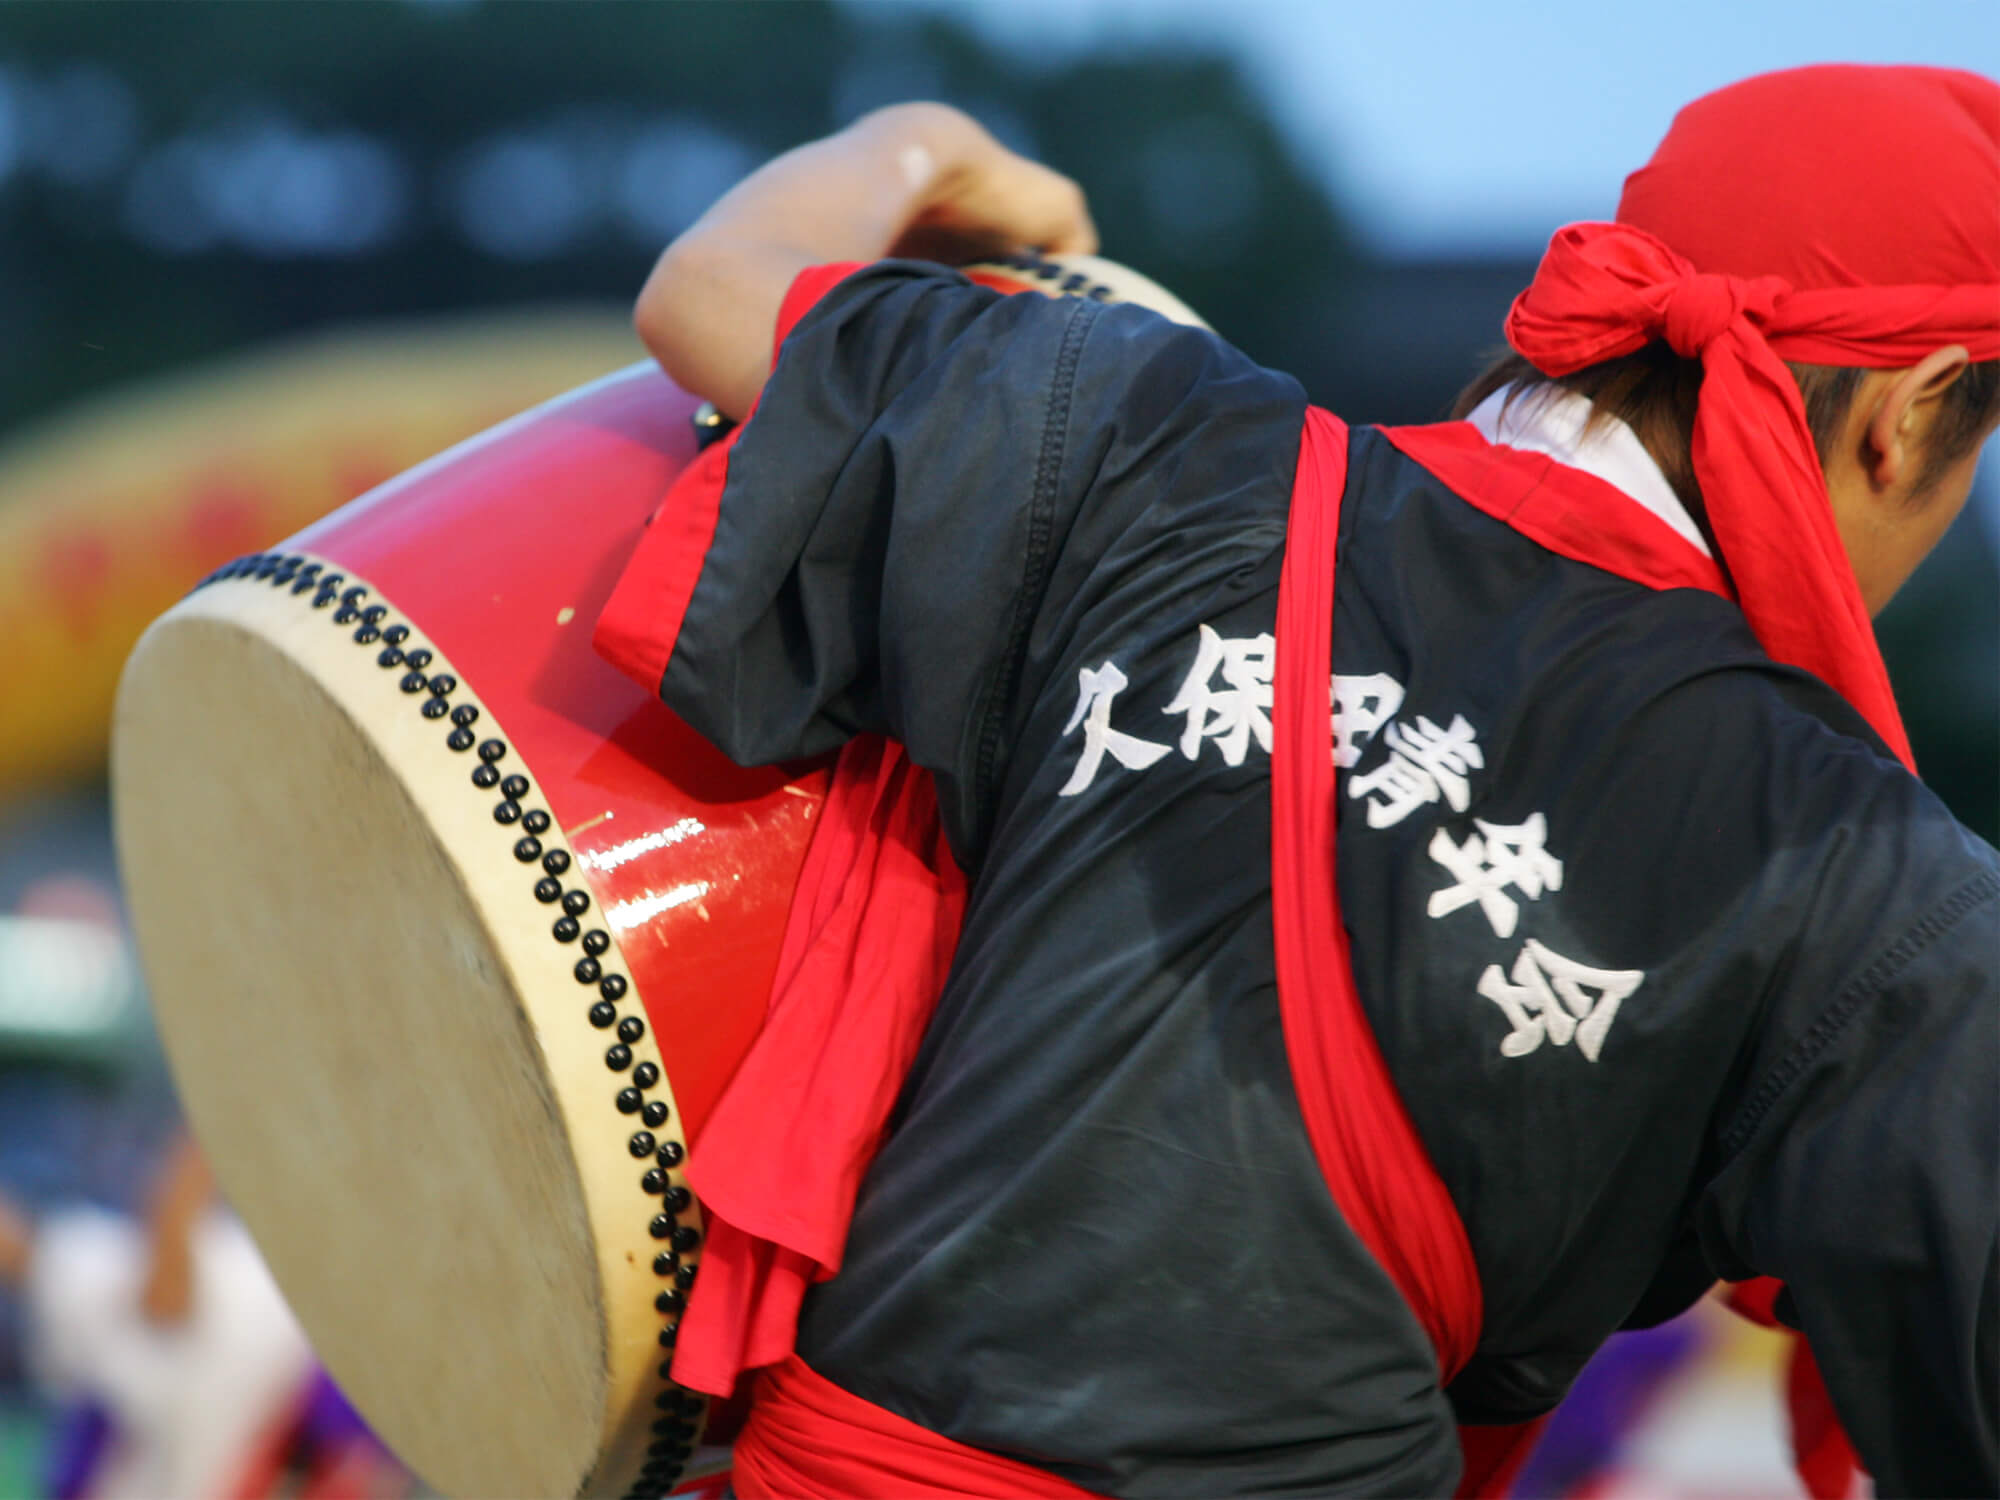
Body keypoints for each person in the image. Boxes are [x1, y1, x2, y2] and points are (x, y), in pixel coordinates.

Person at [594, 68, 1999, 1498]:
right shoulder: (1866, 875)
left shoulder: (1164, 447)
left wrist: (930, 145)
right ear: (1913, 410)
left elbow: (707, 290)